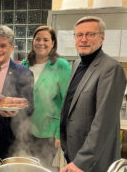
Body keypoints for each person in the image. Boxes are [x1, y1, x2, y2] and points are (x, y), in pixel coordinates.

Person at [60, 16, 126, 172]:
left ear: (102, 37)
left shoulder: (111, 68)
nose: (84, 39)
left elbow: (104, 122)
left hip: (94, 159)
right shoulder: (77, 64)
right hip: (74, 149)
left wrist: (81, 161)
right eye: (79, 35)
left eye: (90, 34)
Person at [0, 25, 34, 165]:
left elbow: (30, 107)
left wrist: (15, 110)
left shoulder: (23, 73)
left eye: (3, 46)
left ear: (12, 48)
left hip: (9, 137)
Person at [21, 26, 72, 169]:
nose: (41, 43)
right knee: (27, 166)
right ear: (33, 41)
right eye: (37, 39)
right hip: (25, 127)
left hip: (48, 129)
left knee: (44, 167)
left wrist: (59, 132)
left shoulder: (61, 65)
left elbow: (66, 101)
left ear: (53, 43)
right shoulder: (26, 63)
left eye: (46, 40)